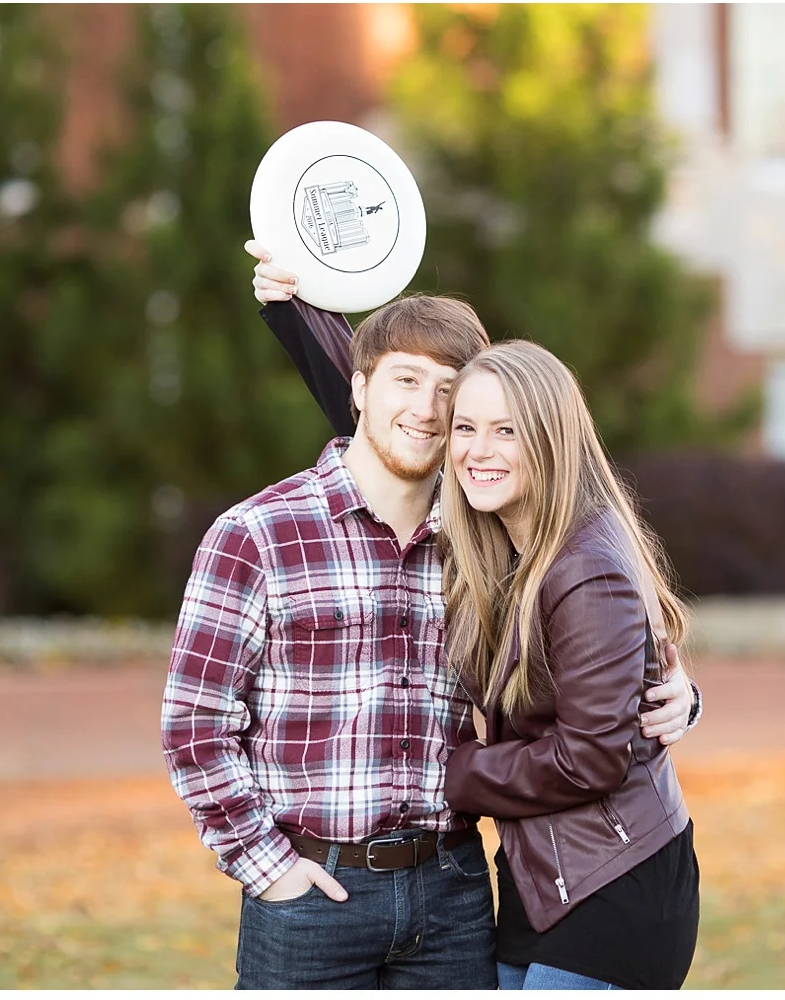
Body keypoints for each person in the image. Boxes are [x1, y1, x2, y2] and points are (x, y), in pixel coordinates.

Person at [161, 255, 699, 990]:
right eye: (406, 381)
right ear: (359, 389)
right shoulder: (259, 534)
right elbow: (194, 726)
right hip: (311, 895)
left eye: (449, 392)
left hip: (453, 894)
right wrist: (268, 867)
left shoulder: (484, 532)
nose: (427, 408)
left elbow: (606, 634)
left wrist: (678, 695)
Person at [441, 342, 700, 991]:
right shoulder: (509, 544)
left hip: (612, 884)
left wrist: (451, 774)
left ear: (551, 438)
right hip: (540, 877)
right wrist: (293, 305)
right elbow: (381, 408)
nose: (478, 450)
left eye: (506, 431)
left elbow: (590, 758)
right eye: (465, 427)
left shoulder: (584, 568)